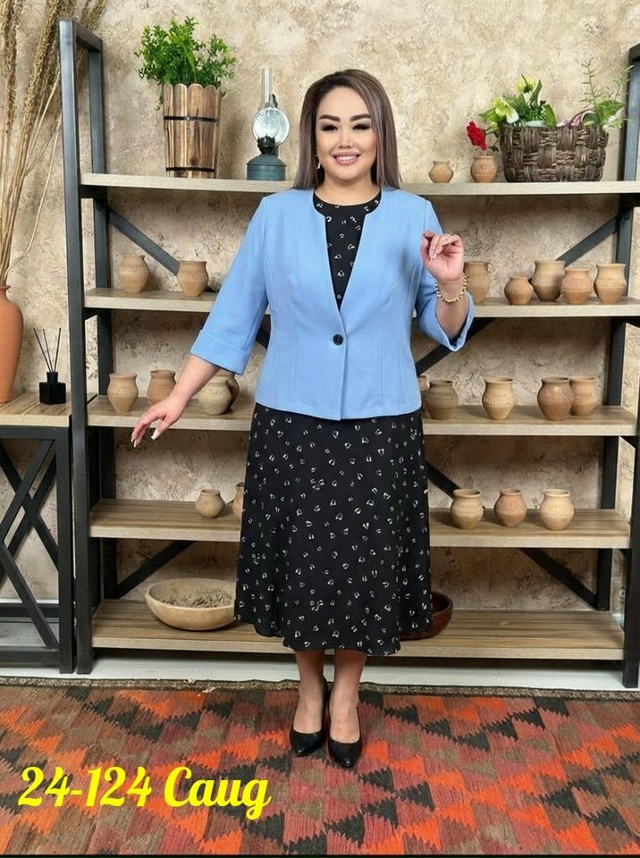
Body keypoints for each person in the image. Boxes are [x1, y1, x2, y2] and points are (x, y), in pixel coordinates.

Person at [131, 69, 474, 768]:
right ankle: (308, 688)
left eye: (360, 125)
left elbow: (443, 326)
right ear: (311, 139)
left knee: (364, 570)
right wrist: (178, 395)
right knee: (304, 567)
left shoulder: (415, 214)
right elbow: (232, 318)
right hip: (293, 423)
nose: (346, 140)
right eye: (330, 125)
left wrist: (451, 284)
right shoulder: (276, 216)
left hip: (381, 424)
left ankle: (346, 696)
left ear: (380, 135)